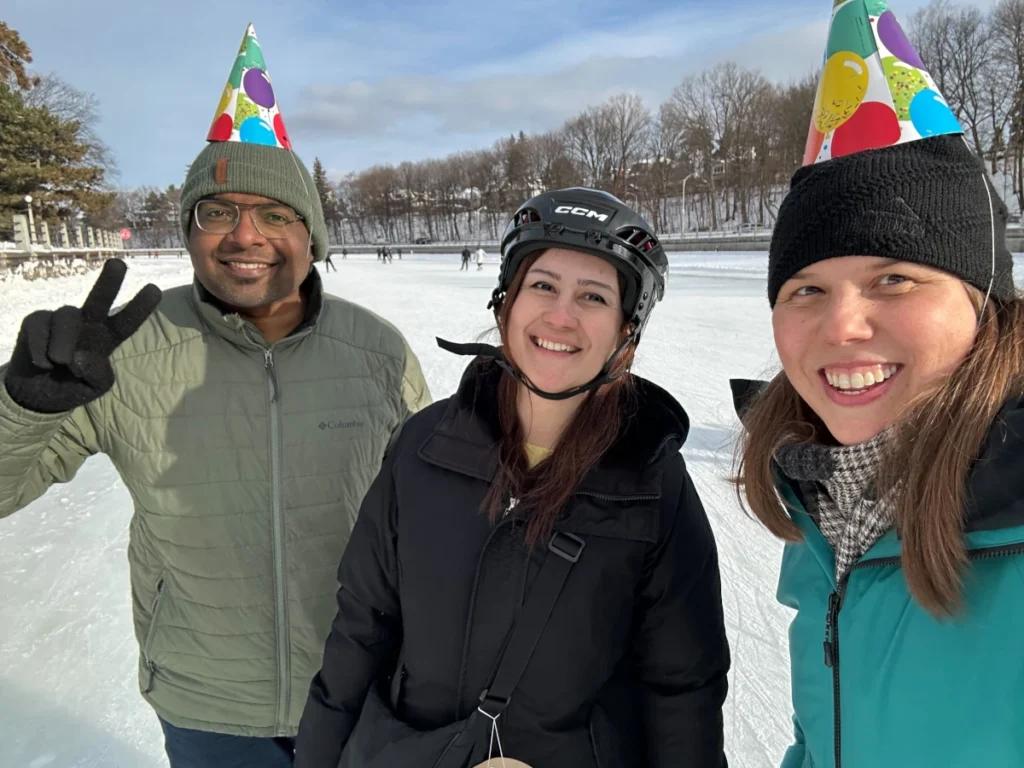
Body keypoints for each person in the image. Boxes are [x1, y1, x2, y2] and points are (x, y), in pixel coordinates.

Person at [0, 24, 430, 768]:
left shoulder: (378, 350)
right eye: (216, 211)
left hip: (363, 691)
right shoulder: (124, 350)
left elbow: (435, 512)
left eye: (274, 213)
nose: (244, 236)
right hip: (207, 708)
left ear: (311, 233)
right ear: (191, 231)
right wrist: (24, 409)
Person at [294, 188, 730, 768]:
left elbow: (683, 688)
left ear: (626, 332)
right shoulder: (423, 446)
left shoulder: (651, 478)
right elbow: (360, 627)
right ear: (507, 302)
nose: (561, 315)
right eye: (543, 285)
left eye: (594, 296)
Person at [731, 3, 1023, 767]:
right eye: (806, 290)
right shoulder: (827, 504)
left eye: (893, 278)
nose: (842, 327)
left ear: (983, 300)